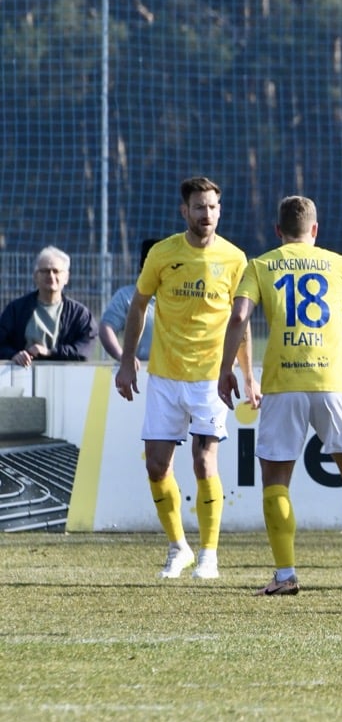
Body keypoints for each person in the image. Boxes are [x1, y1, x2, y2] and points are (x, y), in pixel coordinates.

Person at [217, 195, 342, 596]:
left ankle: (284, 576)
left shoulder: (260, 265)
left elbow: (239, 317)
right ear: (315, 230)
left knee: (276, 481)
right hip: (333, 381)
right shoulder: (341, 265)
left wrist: (227, 369)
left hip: (283, 385)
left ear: (278, 231)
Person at [114, 176, 258, 581]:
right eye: (199, 207)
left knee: (203, 460)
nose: (206, 215)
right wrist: (127, 361)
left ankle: (209, 553)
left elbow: (241, 323)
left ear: (219, 210)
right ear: (185, 211)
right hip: (164, 378)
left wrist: (247, 374)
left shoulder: (234, 258)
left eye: (212, 207)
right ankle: (179, 547)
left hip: (211, 378)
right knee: (157, 466)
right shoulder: (162, 254)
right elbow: (139, 305)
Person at [0, 246, 96, 365]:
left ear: (66, 277)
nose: (50, 276)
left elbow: (84, 350)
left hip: (66, 377)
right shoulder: (15, 310)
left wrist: (51, 352)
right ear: (35, 276)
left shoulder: (80, 314)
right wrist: (13, 355)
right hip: (21, 376)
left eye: (56, 271)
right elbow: (1, 343)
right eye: (45, 271)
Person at [100, 239, 159, 362]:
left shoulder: (180, 297)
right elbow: (107, 327)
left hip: (174, 373)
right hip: (141, 370)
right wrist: (122, 356)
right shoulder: (126, 296)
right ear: (141, 268)